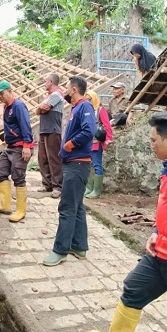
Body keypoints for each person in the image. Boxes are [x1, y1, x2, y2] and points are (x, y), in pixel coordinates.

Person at [91, 112, 167, 332]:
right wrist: (156, 231)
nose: (151, 145)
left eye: (153, 140)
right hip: (160, 254)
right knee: (133, 290)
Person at [42, 76, 96, 266]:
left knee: (66, 208)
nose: (63, 90)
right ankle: (79, 246)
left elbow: (89, 131)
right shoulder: (76, 108)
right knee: (77, 206)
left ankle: (60, 250)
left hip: (77, 164)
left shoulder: (84, 106)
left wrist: (69, 145)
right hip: (75, 164)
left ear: (74, 89)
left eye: (66, 87)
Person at [0, 80, 34, 223]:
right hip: (10, 146)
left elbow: (25, 124)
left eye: (2, 93)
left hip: (20, 146)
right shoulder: (6, 107)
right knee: (0, 171)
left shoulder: (18, 106)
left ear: (10, 91)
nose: (0, 96)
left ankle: (21, 210)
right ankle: (5, 205)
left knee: (18, 176)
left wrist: (27, 145)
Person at [36, 73, 64, 199]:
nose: (44, 83)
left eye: (45, 81)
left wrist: (41, 108)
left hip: (53, 130)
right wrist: (39, 108)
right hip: (44, 129)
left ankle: (57, 186)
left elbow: (45, 108)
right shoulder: (48, 96)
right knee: (43, 158)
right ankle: (46, 183)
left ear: (51, 82)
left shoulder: (57, 94)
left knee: (54, 158)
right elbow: (38, 111)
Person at [84, 91, 113, 199]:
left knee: (97, 165)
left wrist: (108, 139)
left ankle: (96, 190)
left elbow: (107, 125)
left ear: (94, 99)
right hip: (88, 142)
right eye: (86, 99)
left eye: (90, 99)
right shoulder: (87, 111)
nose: (88, 101)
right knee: (88, 165)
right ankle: (89, 188)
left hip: (96, 142)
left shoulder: (100, 110)